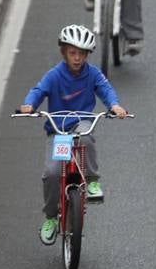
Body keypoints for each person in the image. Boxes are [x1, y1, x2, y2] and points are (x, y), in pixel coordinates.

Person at [19, 25, 128, 241]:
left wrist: (114, 105)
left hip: (81, 124)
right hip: (59, 131)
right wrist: (29, 105)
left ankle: (93, 180)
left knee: (87, 136)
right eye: (72, 53)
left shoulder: (93, 74)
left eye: (81, 54)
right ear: (64, 53)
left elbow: (106, 90)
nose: (77, 58)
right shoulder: (55, 75)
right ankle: (50, 217)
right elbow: (38, 91)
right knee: (51, 173)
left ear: (87, 55)